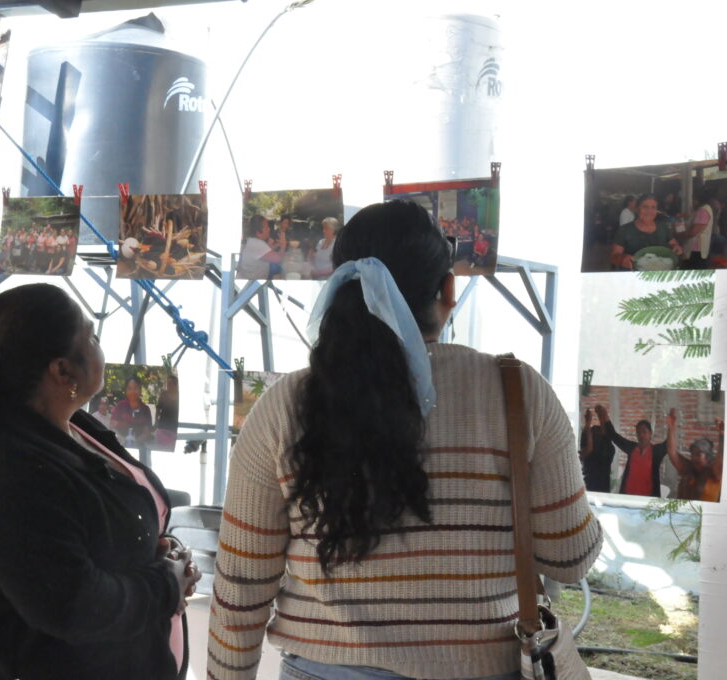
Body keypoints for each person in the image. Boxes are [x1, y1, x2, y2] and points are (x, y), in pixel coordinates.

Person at [208, 201, 601, 680]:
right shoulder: (517, 391)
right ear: (448, 290)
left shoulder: (284, 404)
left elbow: (241, 587)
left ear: (339, 285)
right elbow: (570, 557)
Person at [0, 284, 200, 680]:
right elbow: (75, 606)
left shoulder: (73, 426)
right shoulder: (7, 477)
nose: (100, 346)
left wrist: (160, 552)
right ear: (62, 370)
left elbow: (105, 524)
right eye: (91, 336)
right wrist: (166, 585)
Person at [600, 408, 671, 497]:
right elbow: (614, 436)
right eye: (638, 432)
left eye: (644, 432)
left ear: (650, 434)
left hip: (647, 500)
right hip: (628, 498)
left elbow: (669, 444)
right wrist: (605, 415)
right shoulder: (631, 448)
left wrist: (671, 425)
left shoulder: (656, 451)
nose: (641, 435)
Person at [610, 193, 683, 270]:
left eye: (653, 207)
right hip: (634, 274)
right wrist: (622, 259)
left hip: (660, 273)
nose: (649, 211)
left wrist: (676, 247)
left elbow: (673, 243)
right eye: (645, 207)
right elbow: (613, 257)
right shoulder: (625, 230)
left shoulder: (663, 227)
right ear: (637, 209)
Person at [667, 412, 723, 502]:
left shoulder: (714, 472)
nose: (694, 458)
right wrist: (671, 428)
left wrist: (722, 435)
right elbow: (672, 453)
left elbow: (720, 460)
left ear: (708, 456)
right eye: (692, 454)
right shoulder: (688, 468)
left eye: (698, 454)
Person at [681, 187, 720, 269]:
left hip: (696, 251)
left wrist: (681, 233)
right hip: (698, 251)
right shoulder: (704, 209)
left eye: (693, 199)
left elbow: (693, 232)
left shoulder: (703, 211)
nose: (692, 201)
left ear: (698, 200)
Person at [580, 405, 616, 492]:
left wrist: (588, 422)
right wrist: (589, 422)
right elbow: (589, 446)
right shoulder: (589, 451)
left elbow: (605, 435)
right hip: (592, 487)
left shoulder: (607, 450)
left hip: (599, 487)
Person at [110, 376, 154, 446]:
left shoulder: (146, 409)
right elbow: (112, 424)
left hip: (139, 445)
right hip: (120, 444)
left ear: (140, 390)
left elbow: (147, 431)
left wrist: (135, 442)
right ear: (126, 390)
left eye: (136, 388)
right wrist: (122, 439)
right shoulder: (120, 406)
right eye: (129, 388)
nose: (132, 392)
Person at [238, 214, 285, 279]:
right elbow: (279, 259)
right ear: (258, 232)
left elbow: (266, 252)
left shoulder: (252, 241)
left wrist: (278, 244)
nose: (269, 229)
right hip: (254, 282)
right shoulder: (258, 245)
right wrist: (283, 245)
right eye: (267, 227)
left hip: (248, 277)